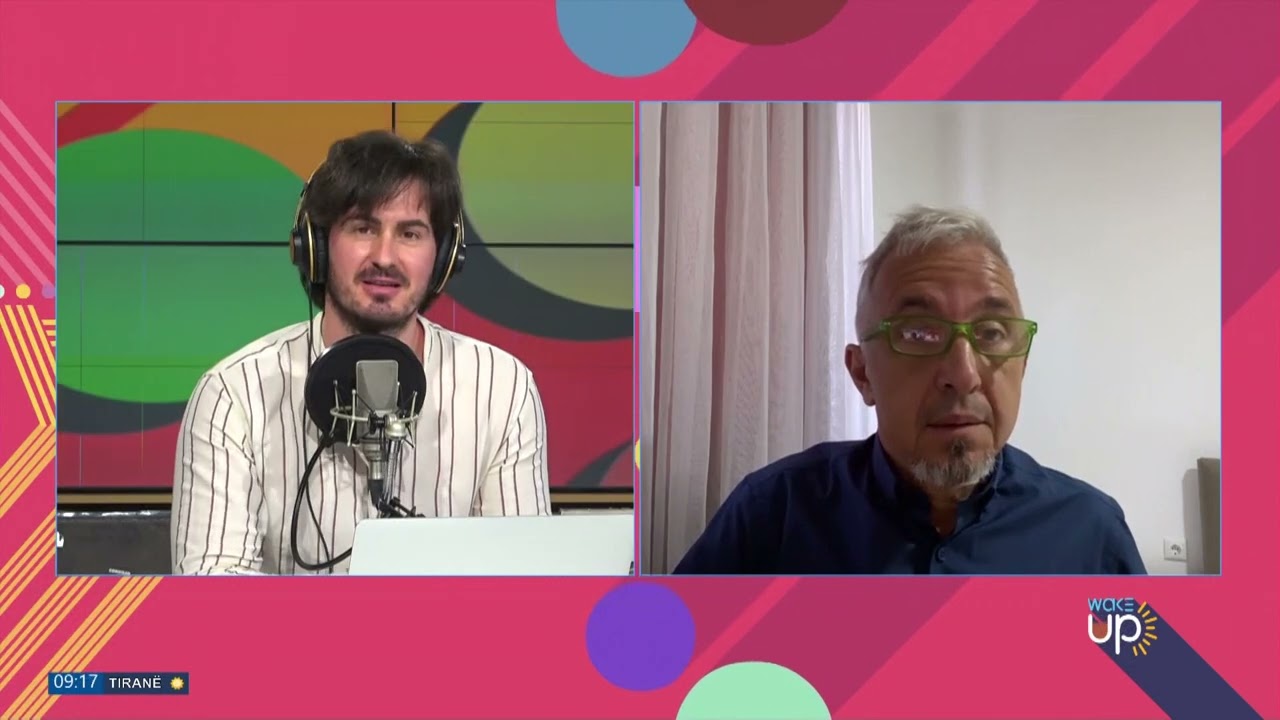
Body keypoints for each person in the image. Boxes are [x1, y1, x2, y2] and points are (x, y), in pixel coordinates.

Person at [674, 205, 1145, 575]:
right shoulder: (774, 514)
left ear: (1023, 363)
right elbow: (664, 661)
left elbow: (1158, 673)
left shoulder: (1089, 531)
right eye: (919, 333)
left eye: (992, 331)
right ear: (862, 374)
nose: (964, 374)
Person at [171, 130, 551, 575]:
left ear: (444, 257)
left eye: (410, 233)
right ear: (316, 246)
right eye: (363, 228)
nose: (384, 257)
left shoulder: (502, 390)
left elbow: (525, 582)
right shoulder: (234, 396)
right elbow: (211, 595)